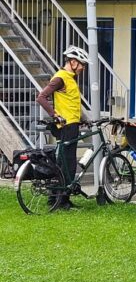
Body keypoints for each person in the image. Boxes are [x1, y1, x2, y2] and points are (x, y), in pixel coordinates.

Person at [35, 46, 89, 209]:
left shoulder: (70, 78)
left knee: (63, 162)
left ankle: (57, 198)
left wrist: (83, 119)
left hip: (72, 124)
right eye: (81, 64)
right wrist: (55, 115)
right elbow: (41, 97)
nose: (83, 67)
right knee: (68, 164)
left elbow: (71, 102)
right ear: (73, 62)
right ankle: (62, 201)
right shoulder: (60, 78)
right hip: (66, 126)